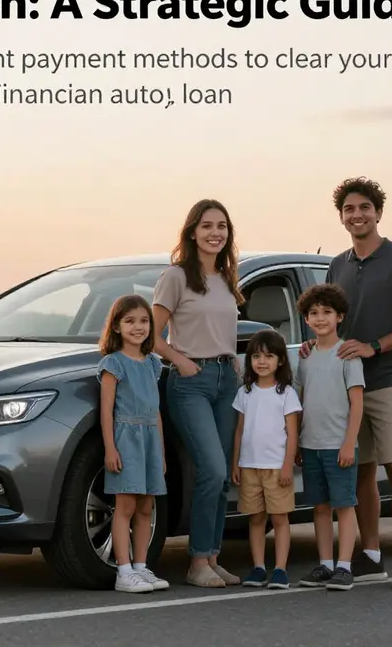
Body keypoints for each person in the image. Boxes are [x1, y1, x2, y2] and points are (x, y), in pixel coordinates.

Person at [300, 177, 392, 590]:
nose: (357, 215)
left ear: (377, 212)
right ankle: (370, 555)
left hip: (389, 379)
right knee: (361, 472)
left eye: (364, 208)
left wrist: (375, 346)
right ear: (341, 217)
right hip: (345, 385)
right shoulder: (338, 265)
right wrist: (313, 344)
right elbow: (332, 320)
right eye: (349, 210)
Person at [152, 199, 244, 589]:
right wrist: (181, 360)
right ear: (192, 231)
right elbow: (151, 337)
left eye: (222, 226)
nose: (215, 233)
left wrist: (235, 365)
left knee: (222, 479)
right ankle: (195, 563)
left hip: (227, 380)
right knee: (213, 470)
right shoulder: (175, 277)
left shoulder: (226, 279)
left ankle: (212, 557)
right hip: (190, 382)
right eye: (207, 226)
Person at [294, 283, 364, 592]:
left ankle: (345, 567)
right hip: (311, 445)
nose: (320, 318)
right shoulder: (305, 356)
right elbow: (300, 399)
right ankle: (325, 564)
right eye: (313, 313)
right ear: (306, 320)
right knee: (320, 507)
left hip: (339, 445)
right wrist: (296, 441)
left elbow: (357, 402)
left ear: (340, 317)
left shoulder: (348, 354)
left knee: (344, 506)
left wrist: (349, 442)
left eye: (327, 312)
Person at [98, 293, 170, 594]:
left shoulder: (153, 363)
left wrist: (162, 451)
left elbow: (155, 410)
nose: (138, 327)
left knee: (146, 505)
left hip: (151, 438)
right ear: (116, 326)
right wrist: (111, 448)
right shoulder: (113, 364)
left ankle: (141, 567)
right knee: (125, 506)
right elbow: (106, 410)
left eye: (143, 321)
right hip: (126, 438)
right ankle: (123, 571)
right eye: (130, 321)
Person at [231, 329, 301, 590]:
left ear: (280, 361)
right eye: (256, 356)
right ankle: (259, 567)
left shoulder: (286, 394)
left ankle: (280, 569)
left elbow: (292, 433)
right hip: (250, 467)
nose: (262, 361)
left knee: (280, 518)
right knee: (256, 518)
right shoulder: (245, 392)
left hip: (276, 468)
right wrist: (235, 463)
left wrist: (287, 465)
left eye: (269, 356)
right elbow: (239, 430)